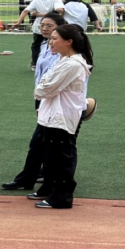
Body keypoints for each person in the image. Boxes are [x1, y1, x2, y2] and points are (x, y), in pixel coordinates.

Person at [2, 12, 65, 192]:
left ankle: (32, 178)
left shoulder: (63, 52)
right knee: (43, 140)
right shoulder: (45, 45)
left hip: (53, 100)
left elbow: (54, 78)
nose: (44, 28)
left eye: (49, 26)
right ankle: (42, 174)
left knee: (41, 141)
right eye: (42, 25)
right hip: (42, 98)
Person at [32, 24, 93, 209]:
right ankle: (51, 189)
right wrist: (43, 86)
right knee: (51, 156)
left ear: (68, 42)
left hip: (62, 117)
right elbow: (46, 84)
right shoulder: (64, 60)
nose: (50, 42)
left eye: (54, 38)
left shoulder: (72, 64)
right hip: (53, 115)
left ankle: (62, 197)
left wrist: (42, 88)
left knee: (61, 157)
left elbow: (45, 89)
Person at [12, 0, 64, 68]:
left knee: (36, 45)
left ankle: (34, 63)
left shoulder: (36, 0)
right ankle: (54, 62)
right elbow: (59, 10)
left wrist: (18, 22)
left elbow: (25, 11)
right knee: (54, 43)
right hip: (52, 27)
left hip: (39, 26)